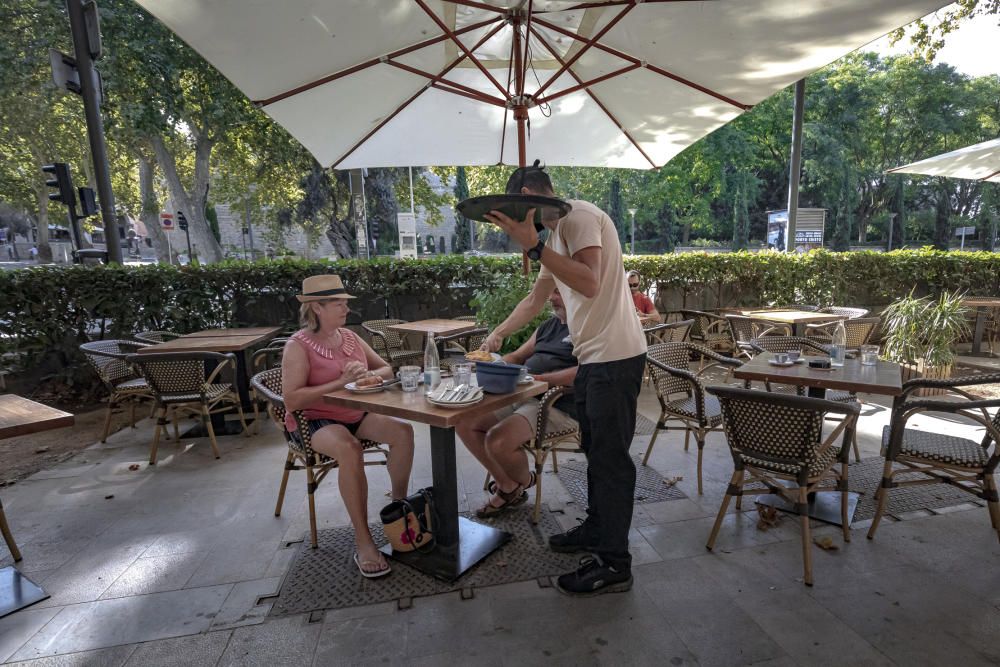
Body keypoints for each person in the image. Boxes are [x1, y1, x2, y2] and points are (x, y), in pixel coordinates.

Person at [481, 160, 647, 596]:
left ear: (534, 200)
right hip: (594, 358)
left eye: (519, 214)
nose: (518, 224)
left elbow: (590, 282)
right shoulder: (555, 236)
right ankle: (597, 531)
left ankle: (615, 565)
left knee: (611, 462)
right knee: (597, 453)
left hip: (617, 357)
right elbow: (536, 299)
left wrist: (535, 246)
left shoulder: (580, 218)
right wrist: (498, 333)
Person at [282, 274, 414, 578]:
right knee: (349, 449)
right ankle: (363, 538)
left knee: (403, 431)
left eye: (345, 303)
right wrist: (340, 382)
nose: (346, 309)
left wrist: (370, 377)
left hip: (355, 412)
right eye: (338, 303)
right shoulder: (298, 346)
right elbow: (291, 399)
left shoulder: (350, 337)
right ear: (316, 307)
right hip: (315, 420)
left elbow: (385, 367)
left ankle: (398, 509)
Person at [456, 289, 578, 517]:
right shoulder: (548, 326)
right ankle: (508, 486)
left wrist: (542, 380)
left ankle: (525, 480)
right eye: (549, 292)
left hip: (557, 404)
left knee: (497, 440)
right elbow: (518, 356)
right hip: (524, 394)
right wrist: (494, 361)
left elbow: (586, 371)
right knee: (465, 422)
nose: (551, 298)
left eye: (558, 292)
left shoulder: (585, 328)